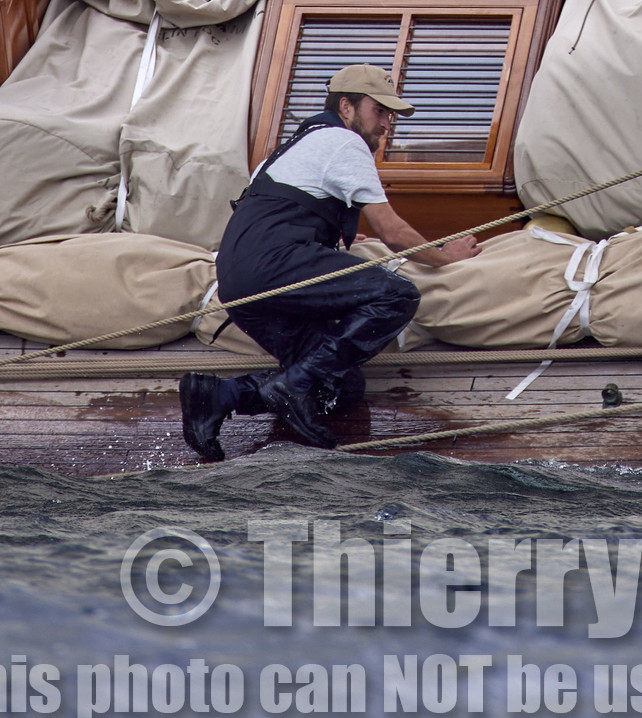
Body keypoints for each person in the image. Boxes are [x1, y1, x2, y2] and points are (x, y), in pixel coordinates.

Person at [179, 63, 480, 461]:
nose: (386, 124)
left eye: (390, 115)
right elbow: (392, 232)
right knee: (397, 295)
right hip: (273, 265)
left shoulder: (294, 146)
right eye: (379, 111)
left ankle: (219, 395)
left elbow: (285, 211)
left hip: (240, 281)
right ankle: (292, 386)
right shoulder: (343, 141)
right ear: (346, 107)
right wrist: (444, 257)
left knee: (341, 386)